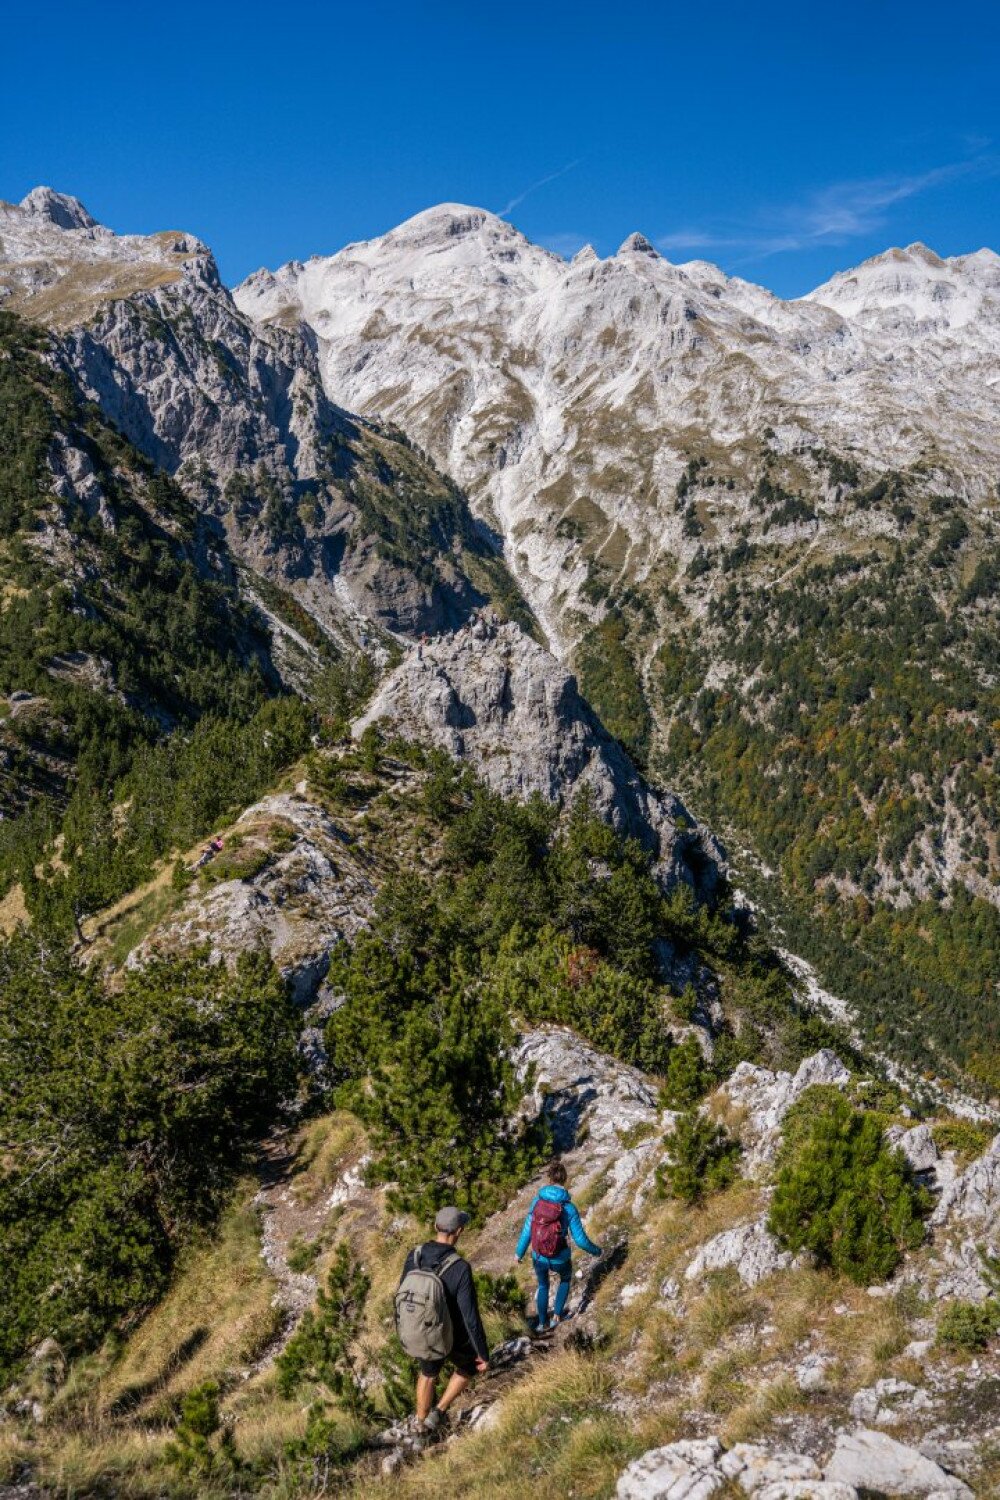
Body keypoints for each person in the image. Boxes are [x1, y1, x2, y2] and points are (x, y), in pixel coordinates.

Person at [397, 1206, 489, 1433]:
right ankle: (438, 1412)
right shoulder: (460, 1267)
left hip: (422, 1330)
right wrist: (483, 1354)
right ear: (458, 1231)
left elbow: (401, 1292)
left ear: (436, 1227)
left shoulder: (415, 1255)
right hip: (451, 1333)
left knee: (428, 1373)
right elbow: (470, 1316)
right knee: (469, 1366)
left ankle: (419, 1425)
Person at [515, 1159, 602, 1330]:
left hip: (538, 1255)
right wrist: (597, 1251)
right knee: (565, 1279)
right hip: (560, 1256)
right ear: (565, 1179)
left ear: (549, 1179)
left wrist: (519, 1252)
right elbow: (580, 1240)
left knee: (542, 1285)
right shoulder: (569, 1208)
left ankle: (541, 1324)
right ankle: (555, 1317)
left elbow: (527, 1229)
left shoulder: (537, 1202)